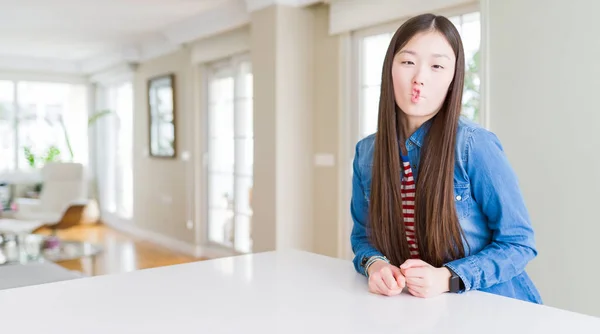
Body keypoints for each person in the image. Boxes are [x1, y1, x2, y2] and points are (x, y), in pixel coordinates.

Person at [350, 13, 542, 304]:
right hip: (422, 313)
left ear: (453, 78)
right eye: (408, 62)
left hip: (496, 309)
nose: (420, 78)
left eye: (437, 66)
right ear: (389, 68)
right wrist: (375, 265)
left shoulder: (474, 145)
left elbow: (519, 243)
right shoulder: (367, 153)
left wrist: (448, 277)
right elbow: (364, 238)